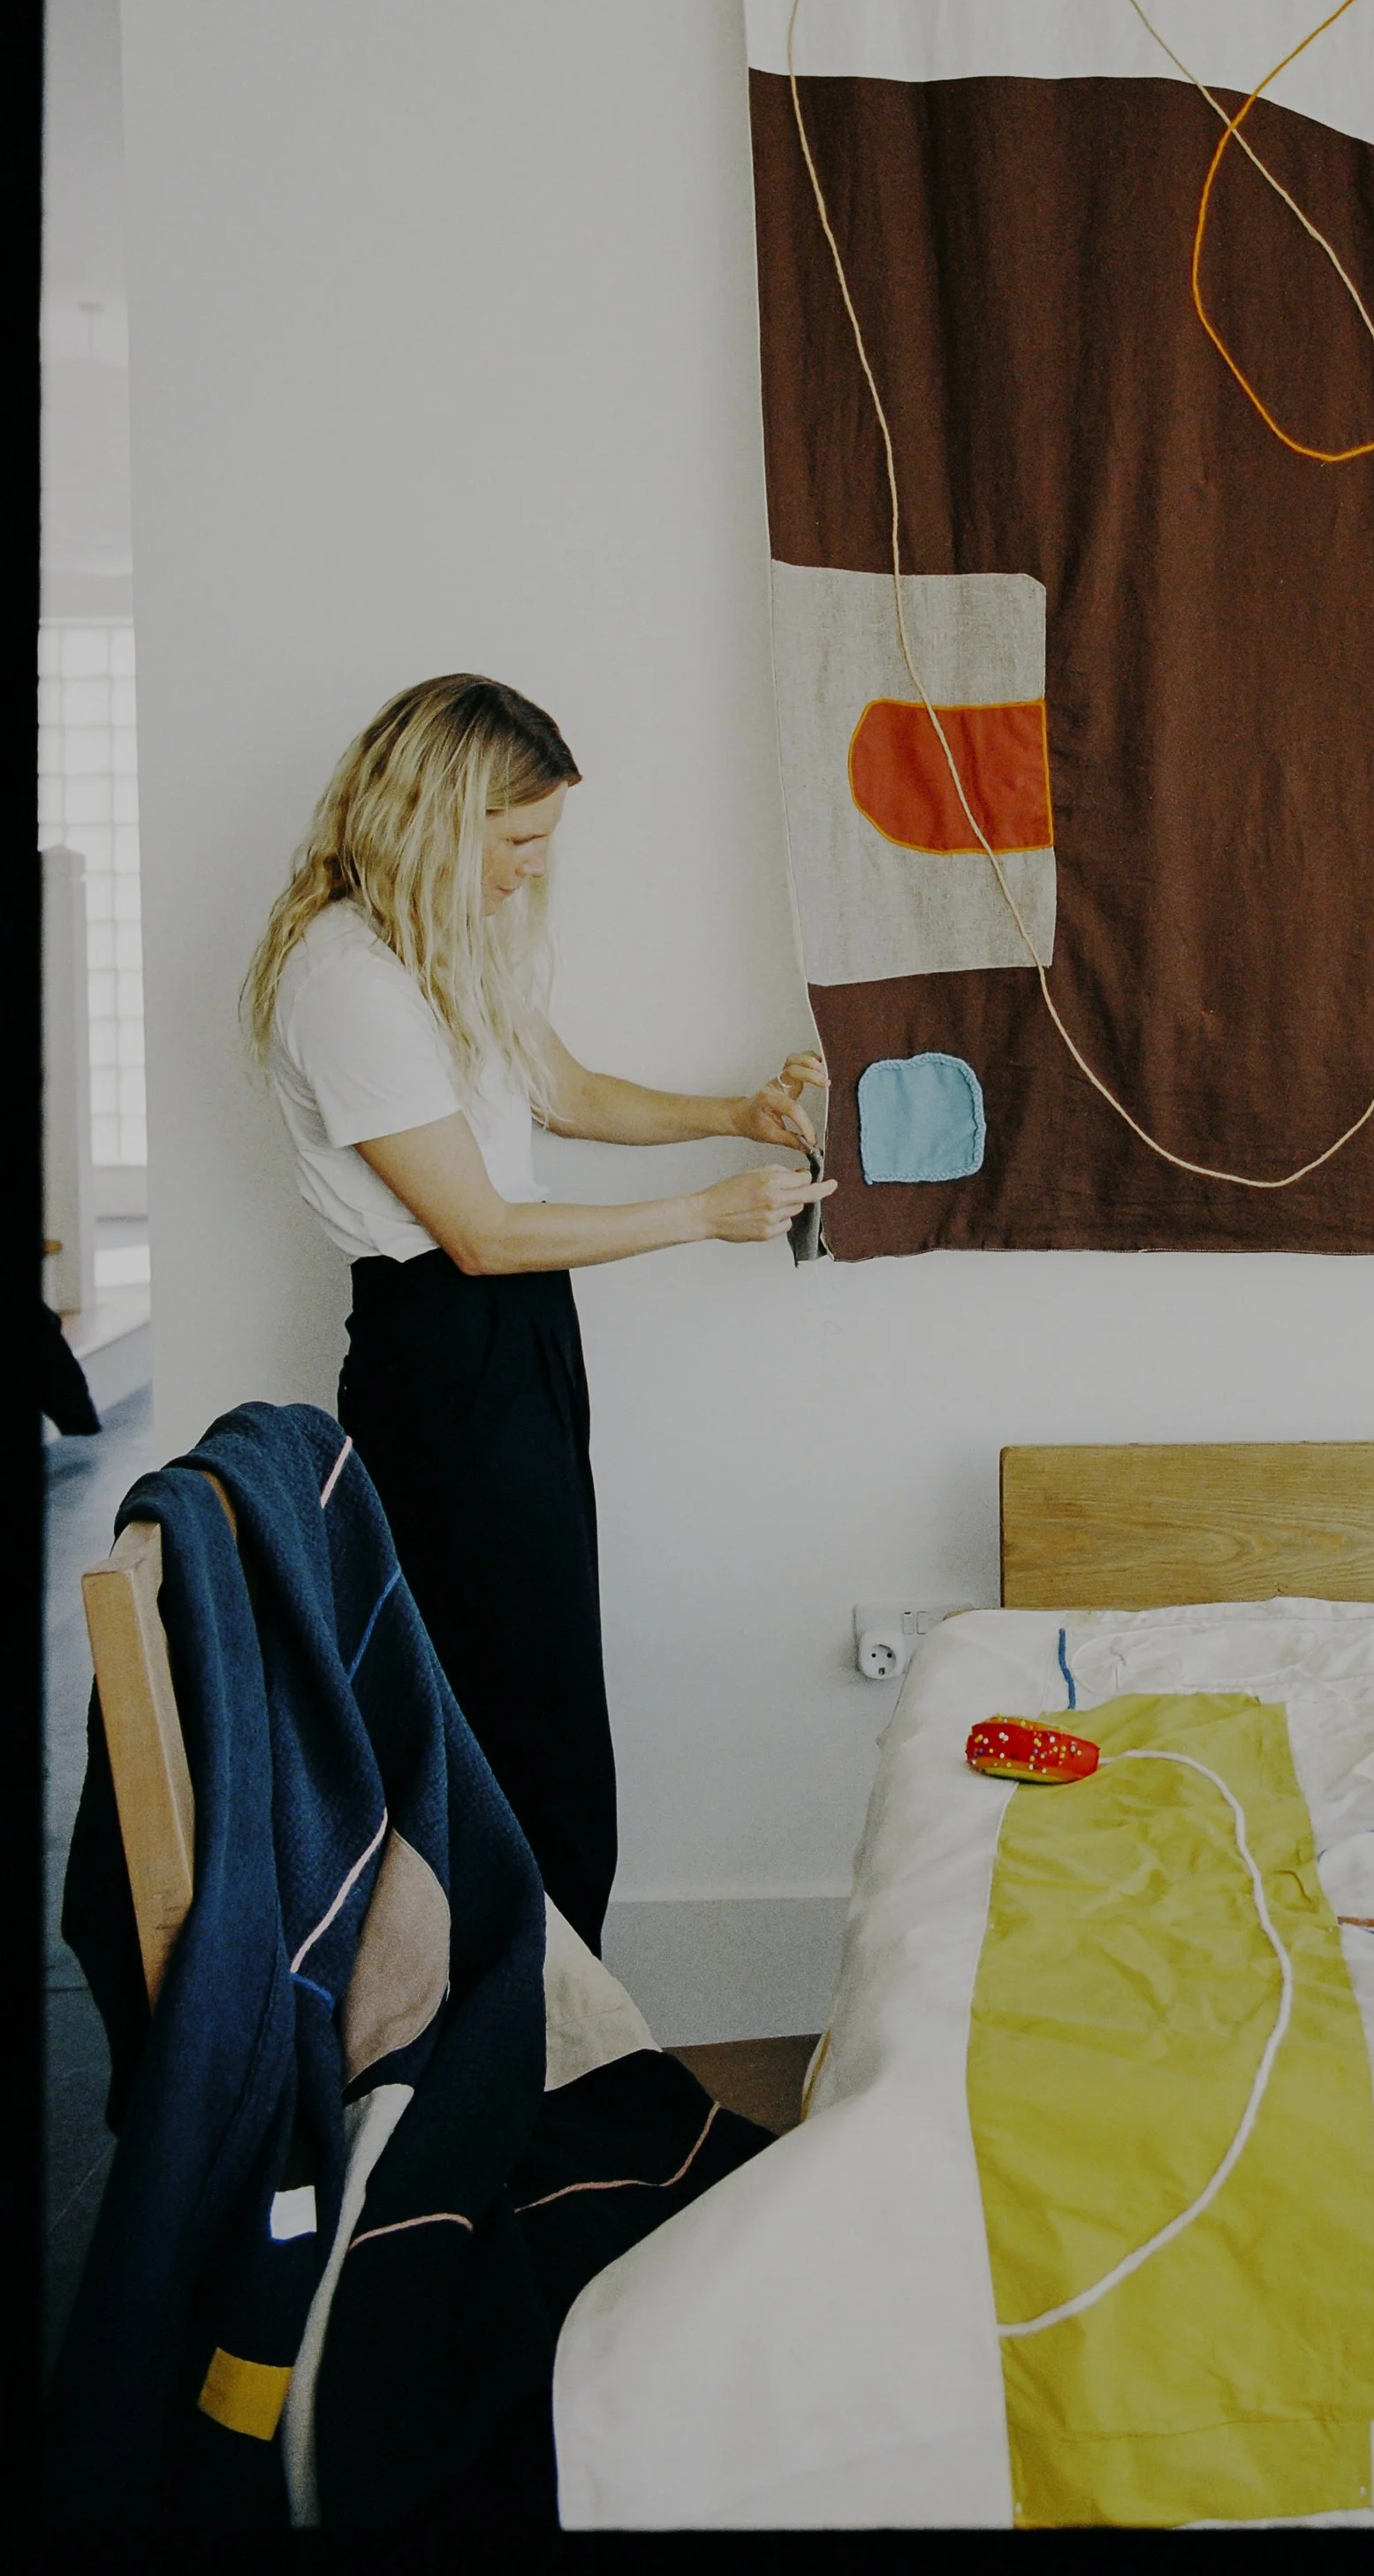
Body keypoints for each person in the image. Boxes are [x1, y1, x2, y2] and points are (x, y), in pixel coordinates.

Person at [241, 673, 831, 1949]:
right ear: (433, 818)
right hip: (446, 1352)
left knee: (547, 1704)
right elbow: (482, 1234)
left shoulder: (438, 947)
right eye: (517, 840)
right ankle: (525, 2036)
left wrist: (731, 1114)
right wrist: (703, 1214)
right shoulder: (347, 979)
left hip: (513, 1343)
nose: (533, 869)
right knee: (510, 1714)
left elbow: (563, 1092)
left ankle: (563, 2018)